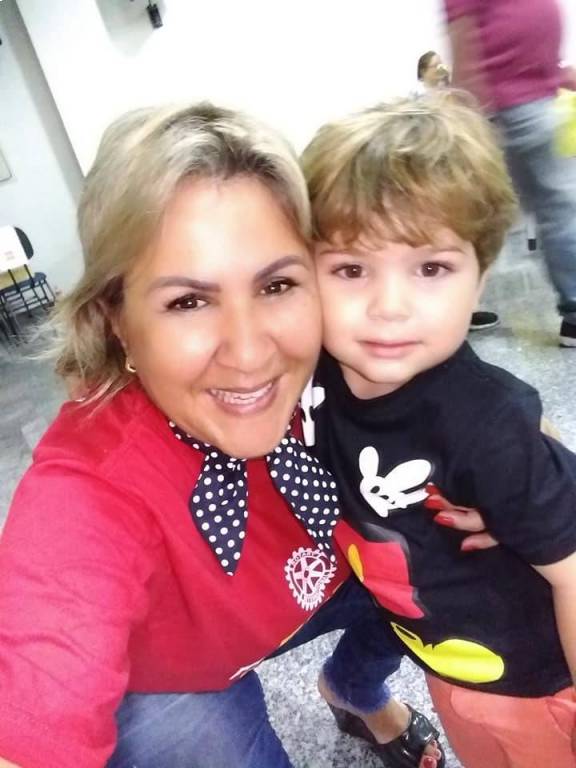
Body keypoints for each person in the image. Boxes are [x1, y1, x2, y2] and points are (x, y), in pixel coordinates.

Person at [0, 103, 449, 768]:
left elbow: (498, 431)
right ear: (115, 320)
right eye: (187, 301)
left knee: (471, 554)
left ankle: (354, 688)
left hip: (340, 580)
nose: (249, 352)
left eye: (277, 284)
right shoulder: (87, 490)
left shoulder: (350, 358)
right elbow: (35, 701)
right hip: (184, 672)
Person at [301, 93, 576, 767]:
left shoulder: (489, 423)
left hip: (540, 683)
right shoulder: (310, 377)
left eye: (431, 268)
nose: (389, 306)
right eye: (350, 269)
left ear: (480, 281)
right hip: (446, 664)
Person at [444, 0, 576, 346]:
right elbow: (464, 47)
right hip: (511, 108)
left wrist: (554, 73)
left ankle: (454, 307)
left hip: (530, 101)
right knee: (555, 207)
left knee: (549, 207)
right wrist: (467, 118)